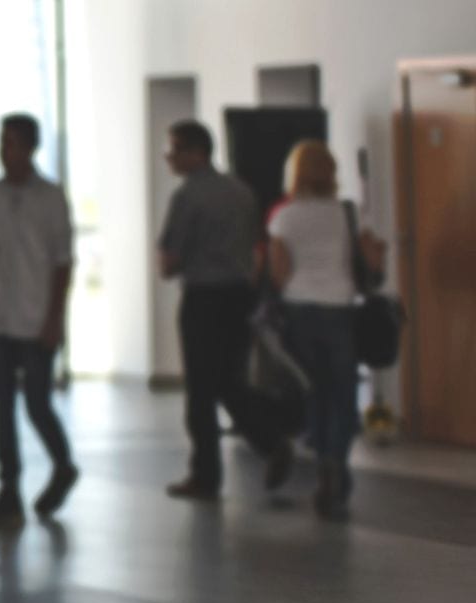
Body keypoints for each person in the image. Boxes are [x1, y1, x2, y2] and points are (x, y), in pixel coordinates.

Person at [158, 120, 293, 501]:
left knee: (201, 389)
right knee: (230, 381)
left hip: (203, 299)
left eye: (174, 150)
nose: (169, 158)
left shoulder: (187, 197)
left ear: (195, 152)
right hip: (239, 297)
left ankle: (206, 475)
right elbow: (256, 248)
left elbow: (169, 261)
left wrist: (175, 262)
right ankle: (271, 440)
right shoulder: (242, 191)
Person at [0, 114, 79, 525]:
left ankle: (62, 464)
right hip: (0, 317)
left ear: (31, 148)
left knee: (36, 404)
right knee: (1, 409)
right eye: (2, 142)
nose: (5, 151)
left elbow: (63, 262)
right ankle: (9, 490)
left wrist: (55, 319)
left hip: (36, 317)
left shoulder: (51, 197)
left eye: (13, 143)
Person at [267, 140, 385, 519]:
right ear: (332, 172)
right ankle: (336, 463)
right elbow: (372, 261)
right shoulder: (347, 213)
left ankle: (321, 464)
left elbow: (279, 273)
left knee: (313, 392)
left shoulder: (284, 218)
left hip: (300, 312)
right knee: (343, 392)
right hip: (340, 310)